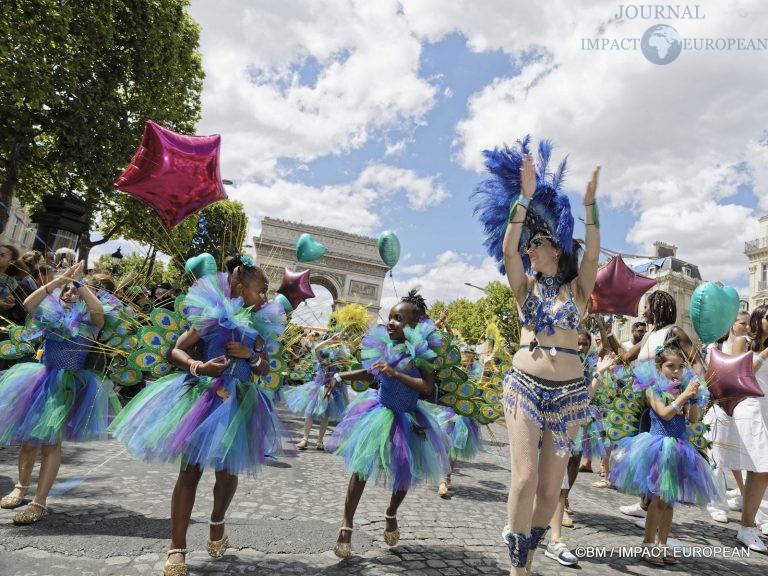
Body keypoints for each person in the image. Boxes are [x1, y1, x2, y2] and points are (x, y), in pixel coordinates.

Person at [110, 254, 285, 576]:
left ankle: (217, 521)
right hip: (204, 398)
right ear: (237, 285)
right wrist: (197, 365)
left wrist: (253, 354)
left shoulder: (259, 328)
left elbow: (265, 366)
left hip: (240, 403)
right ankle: (177, 546)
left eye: (267, 292)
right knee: (189, 472)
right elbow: (175, 349)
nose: (265, 298)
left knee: (228, 471)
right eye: (260, 290)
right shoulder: (212, 317)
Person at [473, 141, 600, 574]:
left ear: (557, 248)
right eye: (529, 243)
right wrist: (524, 200)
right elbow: (508, 250)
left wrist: (590, 208)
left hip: (568, 396)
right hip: (524, 387)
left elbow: (595, 253)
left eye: (537, 243)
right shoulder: (524, 286)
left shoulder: (578, 293)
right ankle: (517, 568)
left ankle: (529, 548)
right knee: (524, 479)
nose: (529, 249)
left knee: (549, 491)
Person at [324, 291, 450, 558]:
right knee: (360, 470)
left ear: (414, 325)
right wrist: (339, 375)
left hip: (407, 420)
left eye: (399, 318)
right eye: (391, 317)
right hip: (377, 415)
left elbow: (427, 387)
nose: (391, 322)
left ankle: (391, 512)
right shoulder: (384, 345)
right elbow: (369, 372)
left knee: (404, 473)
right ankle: (347, 524)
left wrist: (396, 373)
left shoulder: (421, 355)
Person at [0, 262, 114, 524]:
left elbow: (97, 309)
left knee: (51, 443)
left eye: (74, 292)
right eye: (66, 290)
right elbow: (29, 303)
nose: (68, 293)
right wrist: (59, 280)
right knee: (28, 439)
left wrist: (80, 284)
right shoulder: (50, 313)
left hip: (67, 384)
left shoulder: (91, 322)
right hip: (39, 379)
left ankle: (39, 502)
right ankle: (21, 486)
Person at [608, 346, 723, 565]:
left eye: (680, 367)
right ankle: (648, 543)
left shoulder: (681, 391)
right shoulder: (653, 389)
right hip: (658, 447)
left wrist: (692, 400)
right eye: (670, 366)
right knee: (658, 499)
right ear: (659, 368)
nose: (676, 371)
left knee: (670, 502)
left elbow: (692, 419)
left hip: (680, 448)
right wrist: (683, 397)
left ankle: (663, 543)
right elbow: (664, 413)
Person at [726, 306, 768, 551]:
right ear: (757, 319)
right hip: (749, 405)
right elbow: (742, 373)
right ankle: (747, 527)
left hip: (767, 405)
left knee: (762, 469)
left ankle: (750, 523)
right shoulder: (742, 342)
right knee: (762, 464)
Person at [285, 331, 351, 451]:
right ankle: (305, 438)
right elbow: (316, 348)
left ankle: (320, 441)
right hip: (319, 386)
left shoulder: (338, 356)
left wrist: (339, 343)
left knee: (325, 415)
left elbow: (345, 358)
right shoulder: (322, 354)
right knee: (309, 412)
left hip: (333, 388)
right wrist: (330, 340)